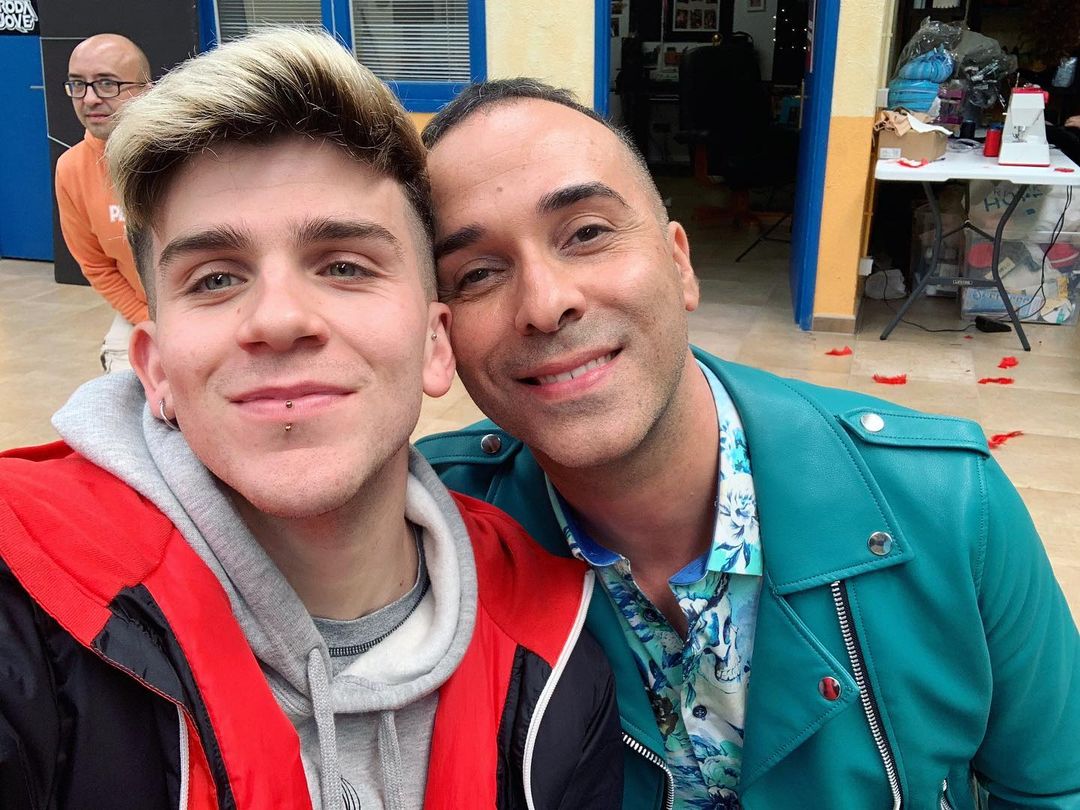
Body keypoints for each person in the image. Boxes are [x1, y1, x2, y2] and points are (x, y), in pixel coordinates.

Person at [416, 79, 1080, 809]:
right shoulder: (430, 537)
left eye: (587, 234)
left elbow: (1053, 788)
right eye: (478, 274)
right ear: (439, 335)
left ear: (680, 264)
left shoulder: (951, 509)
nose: (546, 304)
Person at [0, 35, 621, 810]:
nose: (280, 319)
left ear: (436, 345)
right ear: (155, 369)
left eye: (344, 266)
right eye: (215, 279)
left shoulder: (556, 640)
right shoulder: (24, 602)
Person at [55, 33, 151, 372]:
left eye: (107, 84)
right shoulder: (71, 169)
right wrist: (146, 319)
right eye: (78, 84)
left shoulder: (187, 154)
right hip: (143, 310)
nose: (90, 98)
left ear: (146, 90)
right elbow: (96, 265)